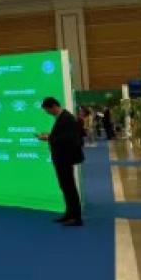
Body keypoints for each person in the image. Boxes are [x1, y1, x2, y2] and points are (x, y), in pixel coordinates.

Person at [38, 97, 84, 227]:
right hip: (61, 159)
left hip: (65, 158)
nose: (48, 113)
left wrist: (49, 138)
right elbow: (62, 136)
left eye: (48, 110)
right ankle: (69, 214)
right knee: (65, 187)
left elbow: (70, 139)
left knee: (69, 188)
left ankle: (76, 217)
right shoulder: (62, 118)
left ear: (53, 106)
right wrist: (50, 136)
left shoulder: (67, 118)